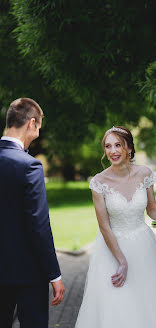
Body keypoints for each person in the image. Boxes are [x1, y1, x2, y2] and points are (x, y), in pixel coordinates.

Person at [75, 126, 156, 328]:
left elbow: (152, 209)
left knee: (151, 306)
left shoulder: (144, 174)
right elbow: (104, 227)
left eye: (117, 145)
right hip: (112, 251)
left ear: (129, 148)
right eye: (108, 146)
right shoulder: (99, 182)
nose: (112, 151)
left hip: (144, 247)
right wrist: (121, 261)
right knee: (119, 307)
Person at [0, 98, 65, 328]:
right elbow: (38, 224)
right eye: (39, 127)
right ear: (32, 123)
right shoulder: (29, 165)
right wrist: (54, 275)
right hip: (28, 273)